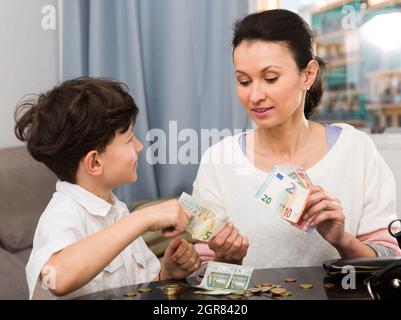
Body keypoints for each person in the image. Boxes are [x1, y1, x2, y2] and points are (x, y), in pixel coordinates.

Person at [193, 9, 401, 269]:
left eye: (270, 78)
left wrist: (342, 240)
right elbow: (199, 274)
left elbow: (390, 262)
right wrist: (225, 258)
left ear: (308, 74)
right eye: (244, 81)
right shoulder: (219, 161)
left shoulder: (356, 149)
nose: (255, 95)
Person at [15, 77, 201, 299]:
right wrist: (142, 218)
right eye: (130, 139)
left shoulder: (116, 210)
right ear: (95, 163)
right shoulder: (63, 214)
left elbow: (136, 290)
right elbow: (57, 277)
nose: (140, 147)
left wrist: (166, 275)